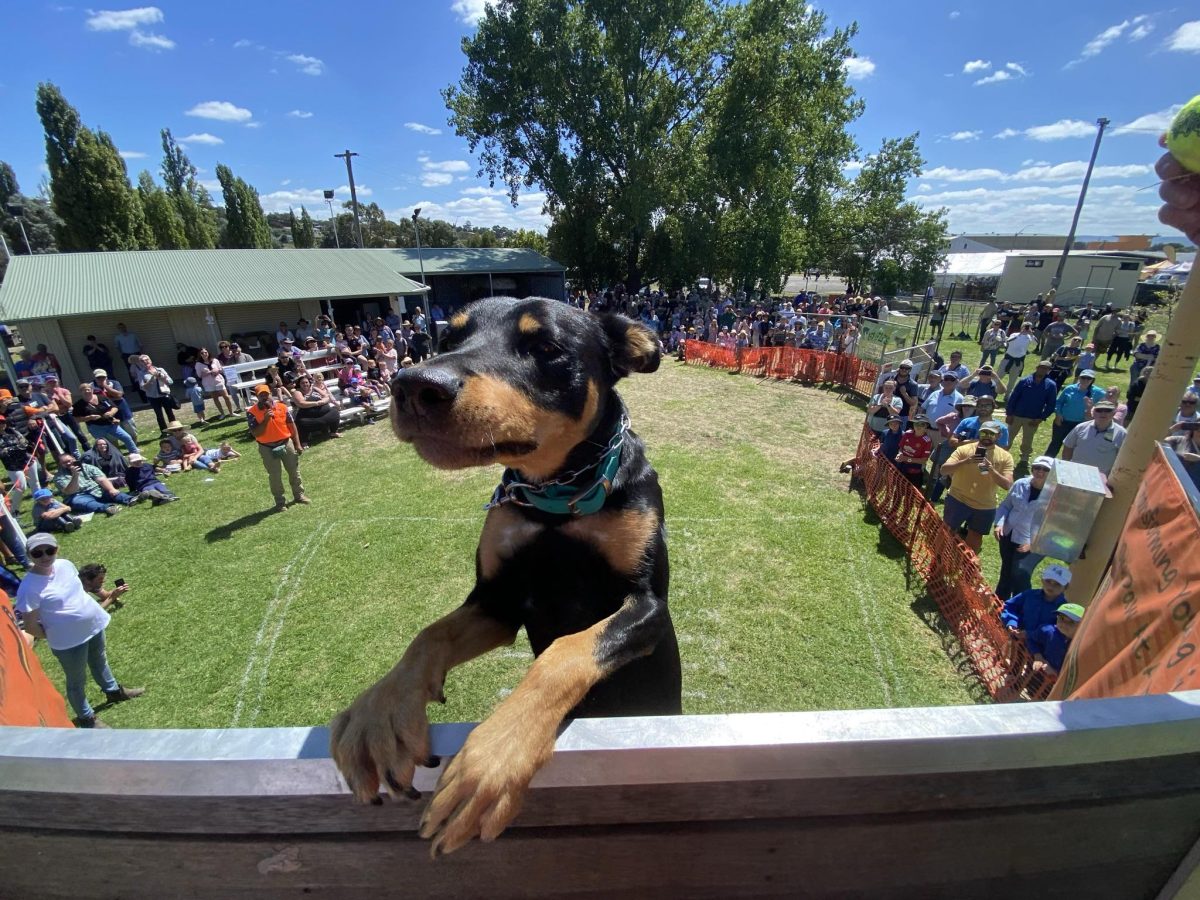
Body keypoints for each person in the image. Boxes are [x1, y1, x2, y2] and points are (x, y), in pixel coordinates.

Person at [15, 533, 145, 727]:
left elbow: (78, 592)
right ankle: (86, 718)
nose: (44, 556)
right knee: (77, 680)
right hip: (67, 641)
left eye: (49, 550)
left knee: (100, 660)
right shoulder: (28, 588)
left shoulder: (65, 565)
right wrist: (56, 633)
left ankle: (113, 692)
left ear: (56, 549)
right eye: (37, 553)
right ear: (29, 555)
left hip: (92, 625)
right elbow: (32, 626)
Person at [939, 420, 1015, 553]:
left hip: (984, 505)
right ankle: (937, 559)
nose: (987, 436)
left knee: (975, 537)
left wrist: (991, 470)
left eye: (992, 434)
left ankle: (967, 568)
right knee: (946, 530)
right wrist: (965, 461)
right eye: (984, 433)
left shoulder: (1005, 457)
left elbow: (1007, 485)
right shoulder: (964, 449)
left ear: (998, 436)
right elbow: (944, 470)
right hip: (957, 499)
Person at [993, 456, 1054, 602]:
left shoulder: (1055, 494)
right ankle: (999, 604)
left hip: (1032, 542)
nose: (1040, 472)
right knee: (1006, 571)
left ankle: (1023, 605)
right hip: (1008, 534)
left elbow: (1054, 525)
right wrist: (999, 524)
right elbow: (1005, 506)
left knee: (1020, 573)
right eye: (1037, 468)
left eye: (1045, 470)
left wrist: (1034, 543)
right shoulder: (1020, 484)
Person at [246, 384, 309, 512]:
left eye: (266, 394)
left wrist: (297, 444)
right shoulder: (252, 412)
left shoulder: (282, 407)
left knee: (294, 471)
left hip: (286, 442)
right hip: (267, 447)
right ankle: (280, 502)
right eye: (261, 395)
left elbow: (292, 426)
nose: (264, 397)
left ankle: (299, 495)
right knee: (275, 475)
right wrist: (265, 420)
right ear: (257, 396)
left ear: (270, 393)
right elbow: (256, 433)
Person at [1000, 564, 1073, 649]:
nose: (1051, 586)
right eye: (1048, 581)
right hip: (1016, 640)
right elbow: (1010, 607)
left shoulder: (1064, 610)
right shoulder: (1028, 595)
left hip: (1041, 651)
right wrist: (1012, 622)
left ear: (1066, 587)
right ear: (1042, 579)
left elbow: (1056, 633)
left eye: (1057, 584)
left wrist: (1030, 635)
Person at [53, 451, 140, 515]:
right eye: (65, 463)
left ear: (74, 459)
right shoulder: (59, 477)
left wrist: (111, 489)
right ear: (61, 465)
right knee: (83, 503)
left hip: (96, 490)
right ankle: (108, 508)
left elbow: (101, 479)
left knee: (112, 492)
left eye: (70, 460)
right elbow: (70, 491)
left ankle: (131, 499)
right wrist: (75, 476)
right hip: (78, 496)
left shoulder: (88, 467)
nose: (68, 463)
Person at [1006, 361, 1058, 466]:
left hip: (1033, 418)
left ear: (1049, 371)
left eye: (1045, 369)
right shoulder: (1024, 381)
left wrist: (1041, 418)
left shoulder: (1051, 385)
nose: (1042, 370)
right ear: (1037, 367)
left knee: (1028, 439)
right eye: (1041, 367)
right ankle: (1003, 453)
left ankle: (1024, 458)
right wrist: (1009, 414)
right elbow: (1013, 398)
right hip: (1016, 415)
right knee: (1009, 436)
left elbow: (1051, 404)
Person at [1045, 370, 1105, 459]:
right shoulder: (1070, 388)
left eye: (1088, 378)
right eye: (1083, 377)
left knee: (1074, 447)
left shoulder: (1098, 392)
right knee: (1055, 443)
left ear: (1092, 380)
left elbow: (1106, 403)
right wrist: (1058, 414)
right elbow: (1059, 402)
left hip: (1081, 424)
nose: (1085, 380)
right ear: (1079, 378)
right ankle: (1046, 463)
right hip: (1063, 422)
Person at [71, 383, 139, 456]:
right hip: (96, 427)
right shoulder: (78, 405)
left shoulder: (101, 397)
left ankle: (135, 454)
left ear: (92, 390)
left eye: (88, 389)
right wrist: (89, 417)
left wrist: (111, 413)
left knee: (127, 437)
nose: (87, 391)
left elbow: (115, 407)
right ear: (80, 392)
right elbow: (76, 419)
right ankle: (113, 458)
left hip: (111, 424)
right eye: (84, 390)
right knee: (104, 444)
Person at [1062, 400, 1126, 476]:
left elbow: (1122, 460)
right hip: (1075, 474)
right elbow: (1068, 448)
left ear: (1114, 413)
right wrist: (1066, 467)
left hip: (1101, 479)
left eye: (1107, 410)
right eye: (1099, 410)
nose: (1103, 413)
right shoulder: (1080, 427)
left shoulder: (1122, 434)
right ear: (1094, 412)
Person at [1027, 602, 1084, 677]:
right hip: (1036, 675)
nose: (1064, 624)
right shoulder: (1047, 631)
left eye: (1071, 622)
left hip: (1057, 684)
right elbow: (1030, 639)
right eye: (1061, 618)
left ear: (1082, 624)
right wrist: (1037, 655)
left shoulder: (1082, 644)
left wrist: (1056, 673)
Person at [290, 373, 343, 444]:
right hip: (309, 418)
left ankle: (333, 432)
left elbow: (326, 396)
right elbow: (301, 403)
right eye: (302, 383)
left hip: (324, 415)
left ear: (309, 383)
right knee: (302, 423)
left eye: (306, 382)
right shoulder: (297, 392)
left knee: (335, 413)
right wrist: (316, 403)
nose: (305, 384)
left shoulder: (314, 388)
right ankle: (304, 441)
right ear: (299, 384)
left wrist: (321, 401)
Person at [194, 347, 235, 420]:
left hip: (218, 380)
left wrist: (217, 371)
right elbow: (199, 375)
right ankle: (222, 413)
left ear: (208, 353)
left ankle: (231, 412)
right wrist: (209, 372)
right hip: (208, 383)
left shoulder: (215, 360)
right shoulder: (198, 364)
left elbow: (221, 369)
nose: (204, 354)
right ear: (200, 355)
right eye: (202, 353)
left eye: (205, 352)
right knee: (215, 398)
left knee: (226, 397)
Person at [138, 356, 176, 433]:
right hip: (152, 397)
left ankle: (175, 429)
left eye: (147, 359)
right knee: (159, 415)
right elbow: (142, 387)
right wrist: (151, 379)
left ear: (150, 360)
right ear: (140, 363)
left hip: (164, 395)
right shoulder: (141, 373)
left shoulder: (160, 370)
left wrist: (160, 377)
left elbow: (170, 382)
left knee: (170, 413)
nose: (145, 362)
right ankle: (164, 432)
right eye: (143, 361)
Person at [894, 417, 933, 489]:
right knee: (898, 490)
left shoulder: (927, 441)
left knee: (910, 495)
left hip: (914, 472)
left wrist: (906, 459)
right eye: (916, 423)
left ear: (926, 426)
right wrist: (900, 454)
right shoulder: (907, 433)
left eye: (922, 424)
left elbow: (923, 460)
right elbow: (901, 448)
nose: (918, 426)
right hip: (901, 468)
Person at [1000, 323, 1037, 393]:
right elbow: (1008, 341)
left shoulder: (1029, 337)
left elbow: (1035, 343)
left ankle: (1007, 395)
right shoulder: (1014, 334)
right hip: (1008, 359)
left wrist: (1031, 334)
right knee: (999, 376)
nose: (1026, 329)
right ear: (1021, 327)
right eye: (1025, 327)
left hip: (1018, 361)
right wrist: (1020, 334)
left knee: (1012, 380)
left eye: (1028, 328)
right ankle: (994, 392)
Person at [112, 323, 144, 397]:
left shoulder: (133, 335)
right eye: (120, 328)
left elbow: (140, 344)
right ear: (118, 329)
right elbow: (117, 347)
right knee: (131, 371)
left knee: (141, 368)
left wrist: (142, 354)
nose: (122, 329)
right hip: (126, 355)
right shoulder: (118, 337)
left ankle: (143, 383)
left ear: (125, 327)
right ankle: (135, 386)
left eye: (123, 327)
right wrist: (121, 354)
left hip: (136, 353)